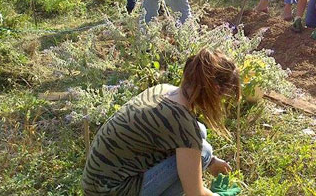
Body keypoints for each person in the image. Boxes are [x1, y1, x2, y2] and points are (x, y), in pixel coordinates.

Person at [82, 49, 240, 196]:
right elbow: (195, 193)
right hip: (109, 192)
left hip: (96, 182)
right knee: (203, 152)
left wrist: (213, 161)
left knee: (200, 132)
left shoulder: (164, 89)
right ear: (214, 89)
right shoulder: (183, 123)